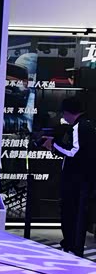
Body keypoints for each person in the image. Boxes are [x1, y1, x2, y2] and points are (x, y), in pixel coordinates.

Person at [43, 97, 96, 256]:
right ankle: (73, 245)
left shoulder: (79, 127)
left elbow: (73, 151)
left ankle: (72, 246)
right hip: (83, 179)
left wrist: (54, 144)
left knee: (71, 213)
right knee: (77, 214)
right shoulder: (88, 124)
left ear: (67, 112)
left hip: (76, 180)